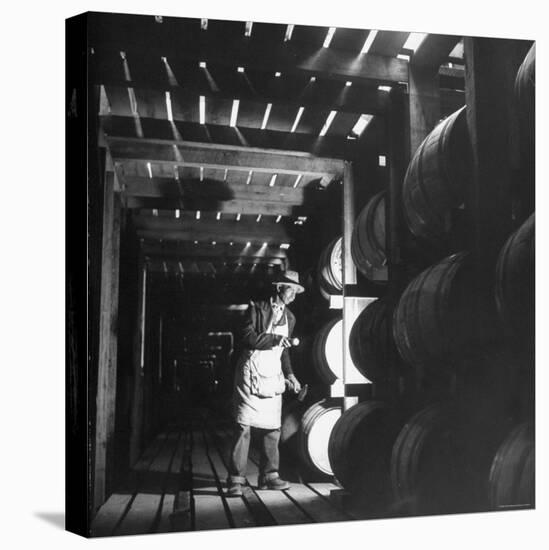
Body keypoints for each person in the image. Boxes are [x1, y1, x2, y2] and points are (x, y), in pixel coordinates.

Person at [226, 270, 304, 496]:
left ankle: (269, 475)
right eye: (291, 289)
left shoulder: (290, 317)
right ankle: (236, 480)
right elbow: (247, 337)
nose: (294, 295)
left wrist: (290, 375)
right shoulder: (257, 308)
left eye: (297, 291)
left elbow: (284, 352)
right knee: (244, 426)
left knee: (273, 428)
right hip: (250, 372)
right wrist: (276, 339)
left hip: (272, 372)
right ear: (280, 287)